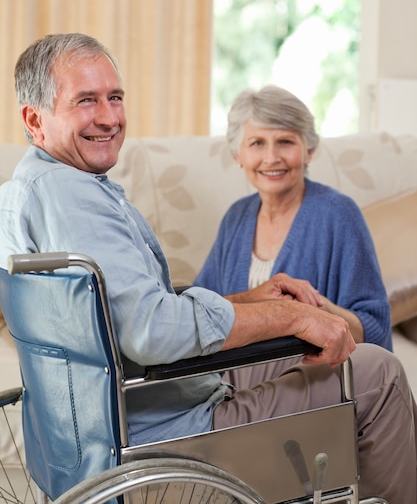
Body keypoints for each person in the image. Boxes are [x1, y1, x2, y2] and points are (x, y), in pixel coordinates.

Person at [0, 33, 415, 503]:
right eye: (86, 101)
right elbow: (154, 329)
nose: (109, 116)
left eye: (115, 97)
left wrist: (253, 301)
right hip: (161, 421)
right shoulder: (73, 195)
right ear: (35, 120)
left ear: (309, 149)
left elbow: (129, 315)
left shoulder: (25, 190)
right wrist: (293, 317)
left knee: (351, 357)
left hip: (119, 410)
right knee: (377, 373)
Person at [194, 85, 392, 350]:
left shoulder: (340, 215)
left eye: (285, 142)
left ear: (308, 150)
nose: (272, 158)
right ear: (238, 155)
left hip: (313, 378)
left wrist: (311, 307)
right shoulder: (236, 218)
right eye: (257, 143)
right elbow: (201, 309)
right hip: (234, 379)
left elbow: (374, 331)